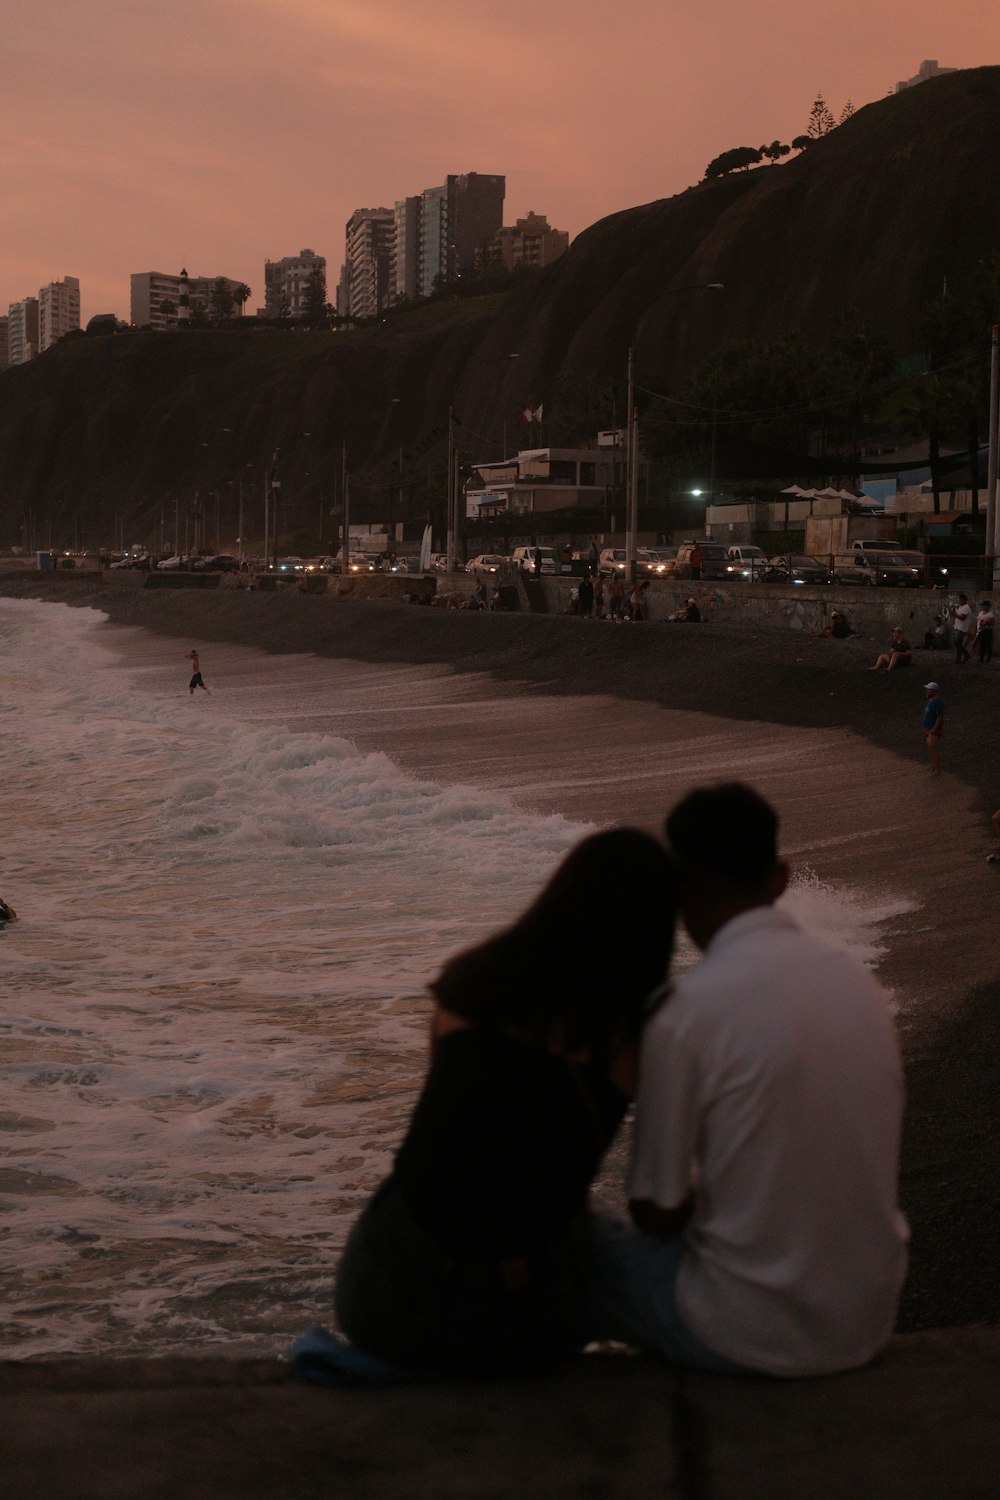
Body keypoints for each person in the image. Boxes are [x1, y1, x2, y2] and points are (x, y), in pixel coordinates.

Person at [328, 829, 678, 1379]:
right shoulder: (632, 1042)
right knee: (608, 1234)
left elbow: (467, 1142)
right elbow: (655, 1206)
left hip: (379, 1296)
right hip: (520, 1323)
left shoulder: (468, 985)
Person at [590, 782, 908, 1378]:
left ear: (681, 895)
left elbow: (653, 1212)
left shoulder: (686, 1010)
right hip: (867, 1316)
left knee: (571, 1243)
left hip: (747, 1330)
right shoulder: (858, 983)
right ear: (782, 878)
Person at [923, 681, 944, 776]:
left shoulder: (937, 702)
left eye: (929, 690)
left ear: (934, 691)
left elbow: (940, 716)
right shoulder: (931, 701)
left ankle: (937, 769)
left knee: (934, 749)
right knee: (930, 749)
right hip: (928, 728)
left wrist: (935, 729)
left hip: (932, 729)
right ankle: (933, 766)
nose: (926, 691)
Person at [951, 594, 972, 663]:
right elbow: (957, 615)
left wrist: (954, 614)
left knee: (957, 643)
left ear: (963, 600)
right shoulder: (961, 607)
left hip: (962, 628)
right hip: (958, 627)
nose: (959, 601)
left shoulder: (966, 608)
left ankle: (964, 656)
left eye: (960, 600)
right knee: (957, 643)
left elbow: (962, 618)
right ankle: (961, 657)